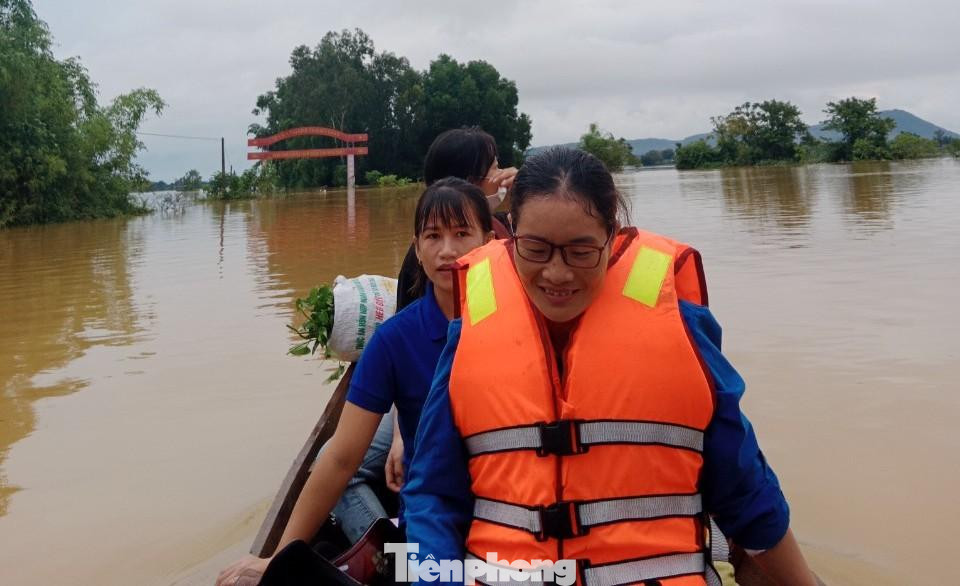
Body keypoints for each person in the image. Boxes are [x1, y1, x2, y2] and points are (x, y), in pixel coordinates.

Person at [402, 147, 818, 586]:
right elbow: (432, 495)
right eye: (536, 249)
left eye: (581, 251)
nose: (557, 273)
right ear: (510, 237)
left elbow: (746, 493)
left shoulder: (683, 330)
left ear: (612, 236)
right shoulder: (469, 333)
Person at [215, 178, 495, 586]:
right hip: (435, 514)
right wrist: (277, 557)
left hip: (507, 505)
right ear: (417, 249)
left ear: (489, 242)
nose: (447, 250)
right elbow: (341, 458)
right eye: (433, 236)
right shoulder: (395, 340)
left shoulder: (516, 327)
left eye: (462, 233)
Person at [396, 127, 517, 311]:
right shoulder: (422, 258)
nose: (503, 176)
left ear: (488, 239)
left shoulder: (504, 223)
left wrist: (526, 197)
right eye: (495, 169)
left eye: (462, 234)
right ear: (470, 182)